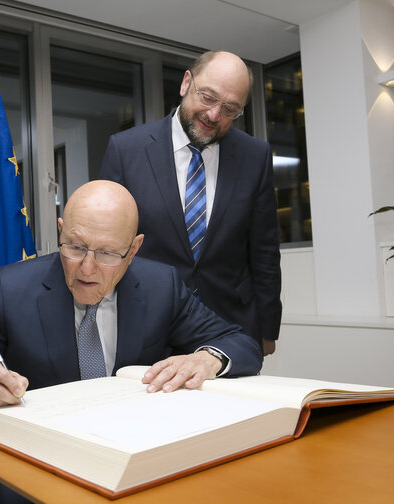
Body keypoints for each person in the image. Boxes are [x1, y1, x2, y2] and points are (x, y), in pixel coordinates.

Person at [0, 180, 263, 502]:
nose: (87, 268)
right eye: (76, 246)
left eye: (108, 253)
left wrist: (206, 359)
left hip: (135, 469)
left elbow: (240, 343)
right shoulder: (10, 289)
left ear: (134, 248)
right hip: (35, 473)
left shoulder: (161, 286)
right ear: (60, 231)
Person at [100, 50, 282, 356]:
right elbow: (107, 243)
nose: (214, 115)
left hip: (229, 328)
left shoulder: (255, 156)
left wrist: (267, 330)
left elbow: (264, 251)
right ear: (186, 83)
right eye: (208, 97)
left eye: (230, 109)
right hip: (147, 325)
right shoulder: (126, 149)